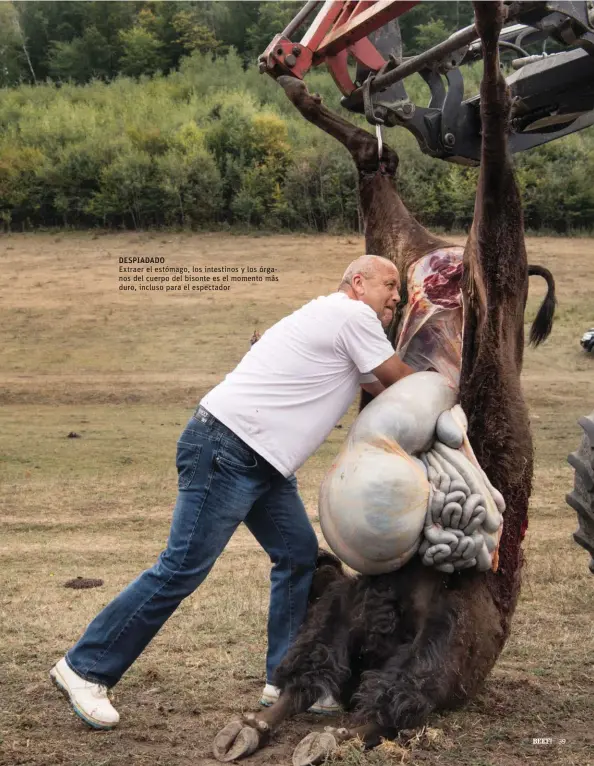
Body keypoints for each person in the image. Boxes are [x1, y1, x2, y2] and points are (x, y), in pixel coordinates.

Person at [50, 254, 413, 729]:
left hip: (261, 462)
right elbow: (400, 383)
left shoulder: (334, 320)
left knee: (298, 553)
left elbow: (379, 386)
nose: (398, 297)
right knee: (180, 568)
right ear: (358, 282)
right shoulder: (352, 315)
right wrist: (450, 383)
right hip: (229, 449)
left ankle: (282, 679)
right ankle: (84, 667)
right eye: (390, 285)